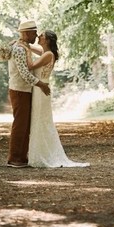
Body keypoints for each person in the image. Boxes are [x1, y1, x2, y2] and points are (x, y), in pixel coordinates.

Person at [27, 29, 90, 168]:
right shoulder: (46, 53)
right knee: (39, 119)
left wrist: (25, 51)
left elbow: (30, 66)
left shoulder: (48, 54)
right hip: (40, 88)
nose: (38, 36)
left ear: (47, 40)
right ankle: (40, 152)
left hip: (41, 88)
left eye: (41, 35)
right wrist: (23, 43)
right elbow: (32, 47)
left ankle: (42, 154)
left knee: (41, 120)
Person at [7, 20, 50, 168]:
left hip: (25, 90)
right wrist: (41, 84)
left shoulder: (24, 46)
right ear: (26, 33)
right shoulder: (19, 49)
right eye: (33, 33)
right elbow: (24, 73)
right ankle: (15, 157)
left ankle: (22, 156)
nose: (36, 35)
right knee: (20, 124)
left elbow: (45, 52)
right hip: (19, 90)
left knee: (25, 124)